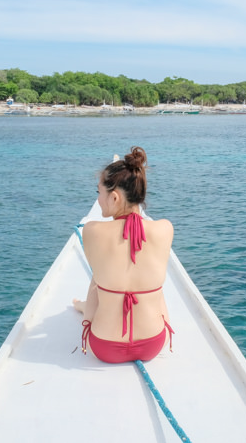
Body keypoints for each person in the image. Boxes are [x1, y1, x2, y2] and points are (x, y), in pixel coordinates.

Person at [72, 146, 175, 363]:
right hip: (153, 343)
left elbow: (100, 282)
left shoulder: (92, 231)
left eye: (99, 193)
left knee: (98, 278)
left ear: (115, 197)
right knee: (153, 279)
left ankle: (85, 314)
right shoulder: (165, 228)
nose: (99, 200)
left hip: (104, 346)